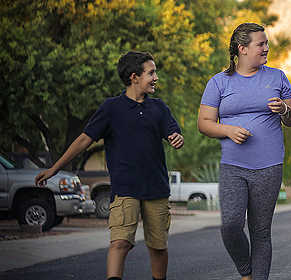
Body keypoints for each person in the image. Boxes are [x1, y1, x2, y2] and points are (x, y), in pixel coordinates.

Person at [35, 51, 184, 280]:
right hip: (125, 189)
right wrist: (55, 168)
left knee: (158, 247)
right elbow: (84, 140)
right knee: (120, 243)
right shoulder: (111, 108)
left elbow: (174, 134)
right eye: (151, 73)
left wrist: (177, 138)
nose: (156, 77)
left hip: (156, 189)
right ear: (134, 77)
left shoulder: (159, 108)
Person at [197, 22, 291, 280]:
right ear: (242, 49)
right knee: (231, 225)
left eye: (266, 43)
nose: (267, 48)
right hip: (233, 166)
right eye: (261, 44)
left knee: (260, 231)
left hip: (269, 165)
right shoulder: (219, 82)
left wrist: (285, 111)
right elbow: (204, 123)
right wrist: (229, 130)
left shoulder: (277, 77)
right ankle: (246, 272)